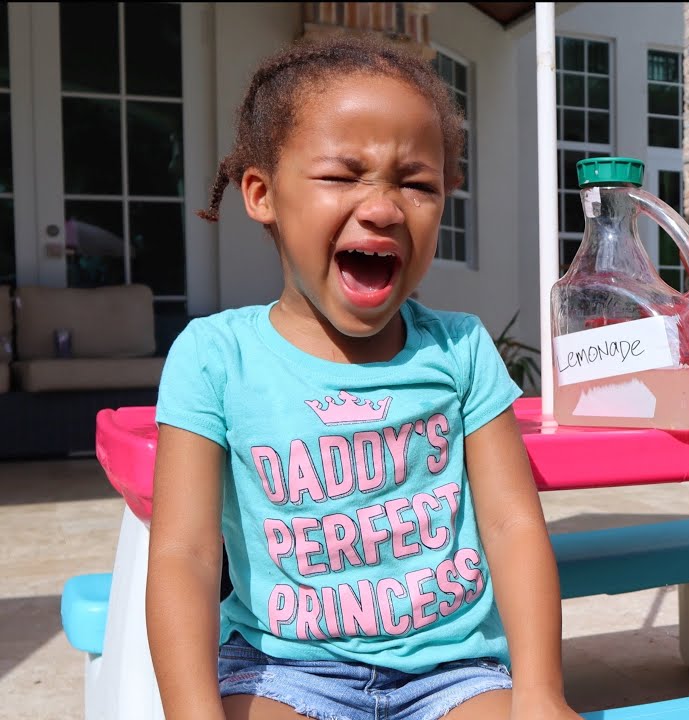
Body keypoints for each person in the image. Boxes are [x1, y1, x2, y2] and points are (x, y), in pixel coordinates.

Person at [147, 35, 580, 720]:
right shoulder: (213, 356)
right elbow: (185, 555)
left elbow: (512, 524)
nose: (383, 207)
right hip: (280, 671)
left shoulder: (462, 349)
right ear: (261, 194)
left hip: (454, 671)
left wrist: (539, 691)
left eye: (417, 184)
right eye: (343, 175)